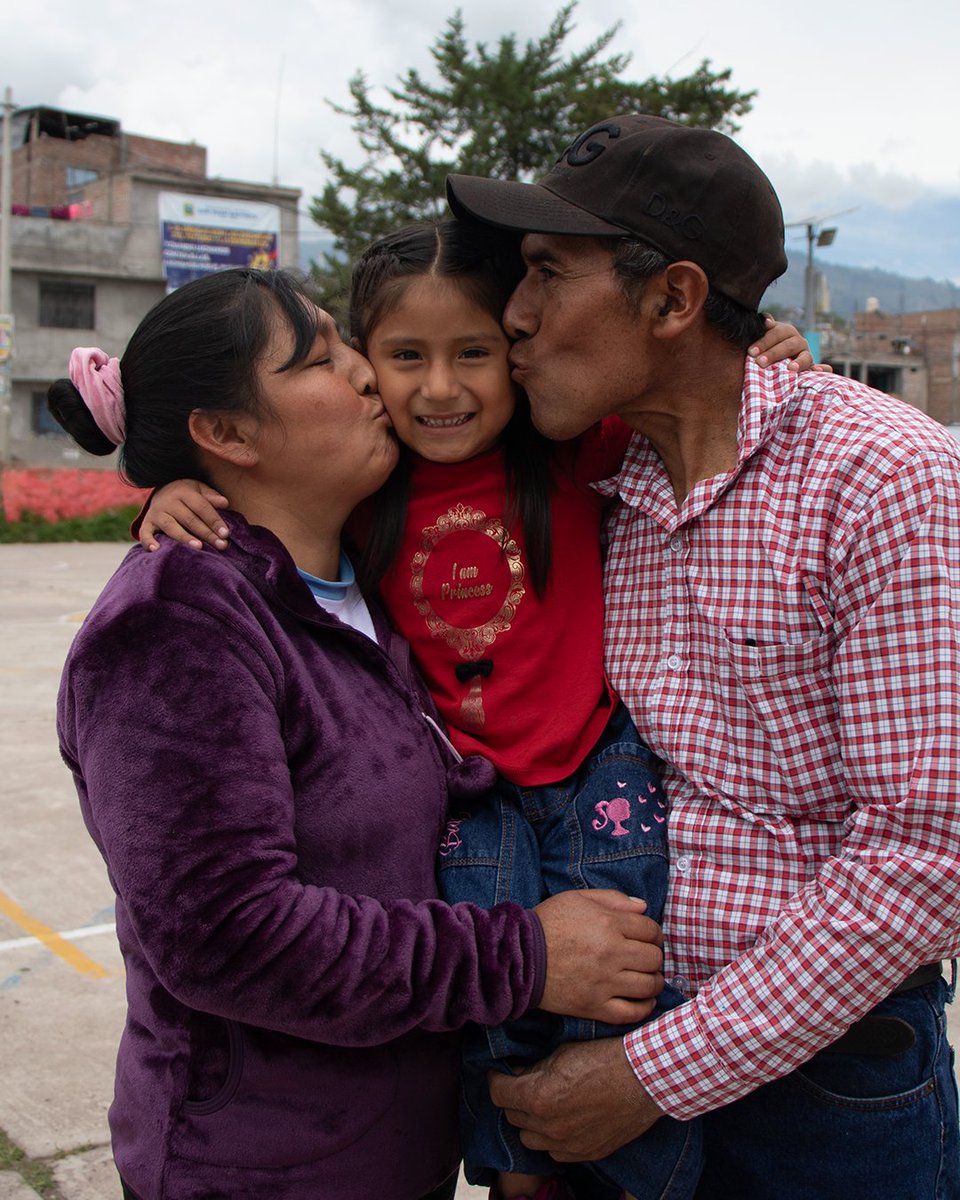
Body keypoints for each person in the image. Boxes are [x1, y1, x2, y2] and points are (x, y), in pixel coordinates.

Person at [135, 227, 814, 1200]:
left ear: (515, 352)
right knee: (500, 1029)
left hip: (595, 773)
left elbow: (695, 402)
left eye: (474, 355)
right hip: (471, 792)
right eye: (402, 357)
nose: (439, 390)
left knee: (626, 983)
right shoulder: (368, 490)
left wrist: (768, 359)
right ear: (369, 364)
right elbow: (255, 486)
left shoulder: (574, 452)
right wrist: (171, 487)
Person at [47, 266, 670, 1200]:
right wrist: (526, 958)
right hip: (260, 1168)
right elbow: (227, 936)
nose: (372, 375)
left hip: (390, 1156)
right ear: (224, 434)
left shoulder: (356, 583)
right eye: (324, 358)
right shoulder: (174, 624)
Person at [443, 113, 960, 1199]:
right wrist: (176, 482)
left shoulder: (882, 477)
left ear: (674, 300)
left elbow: (928, 853)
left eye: (546, 274)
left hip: (823, 1085)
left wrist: (650, 1076)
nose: (516, 317)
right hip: (597, 1043)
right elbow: (349, 423)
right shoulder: (596, 482)